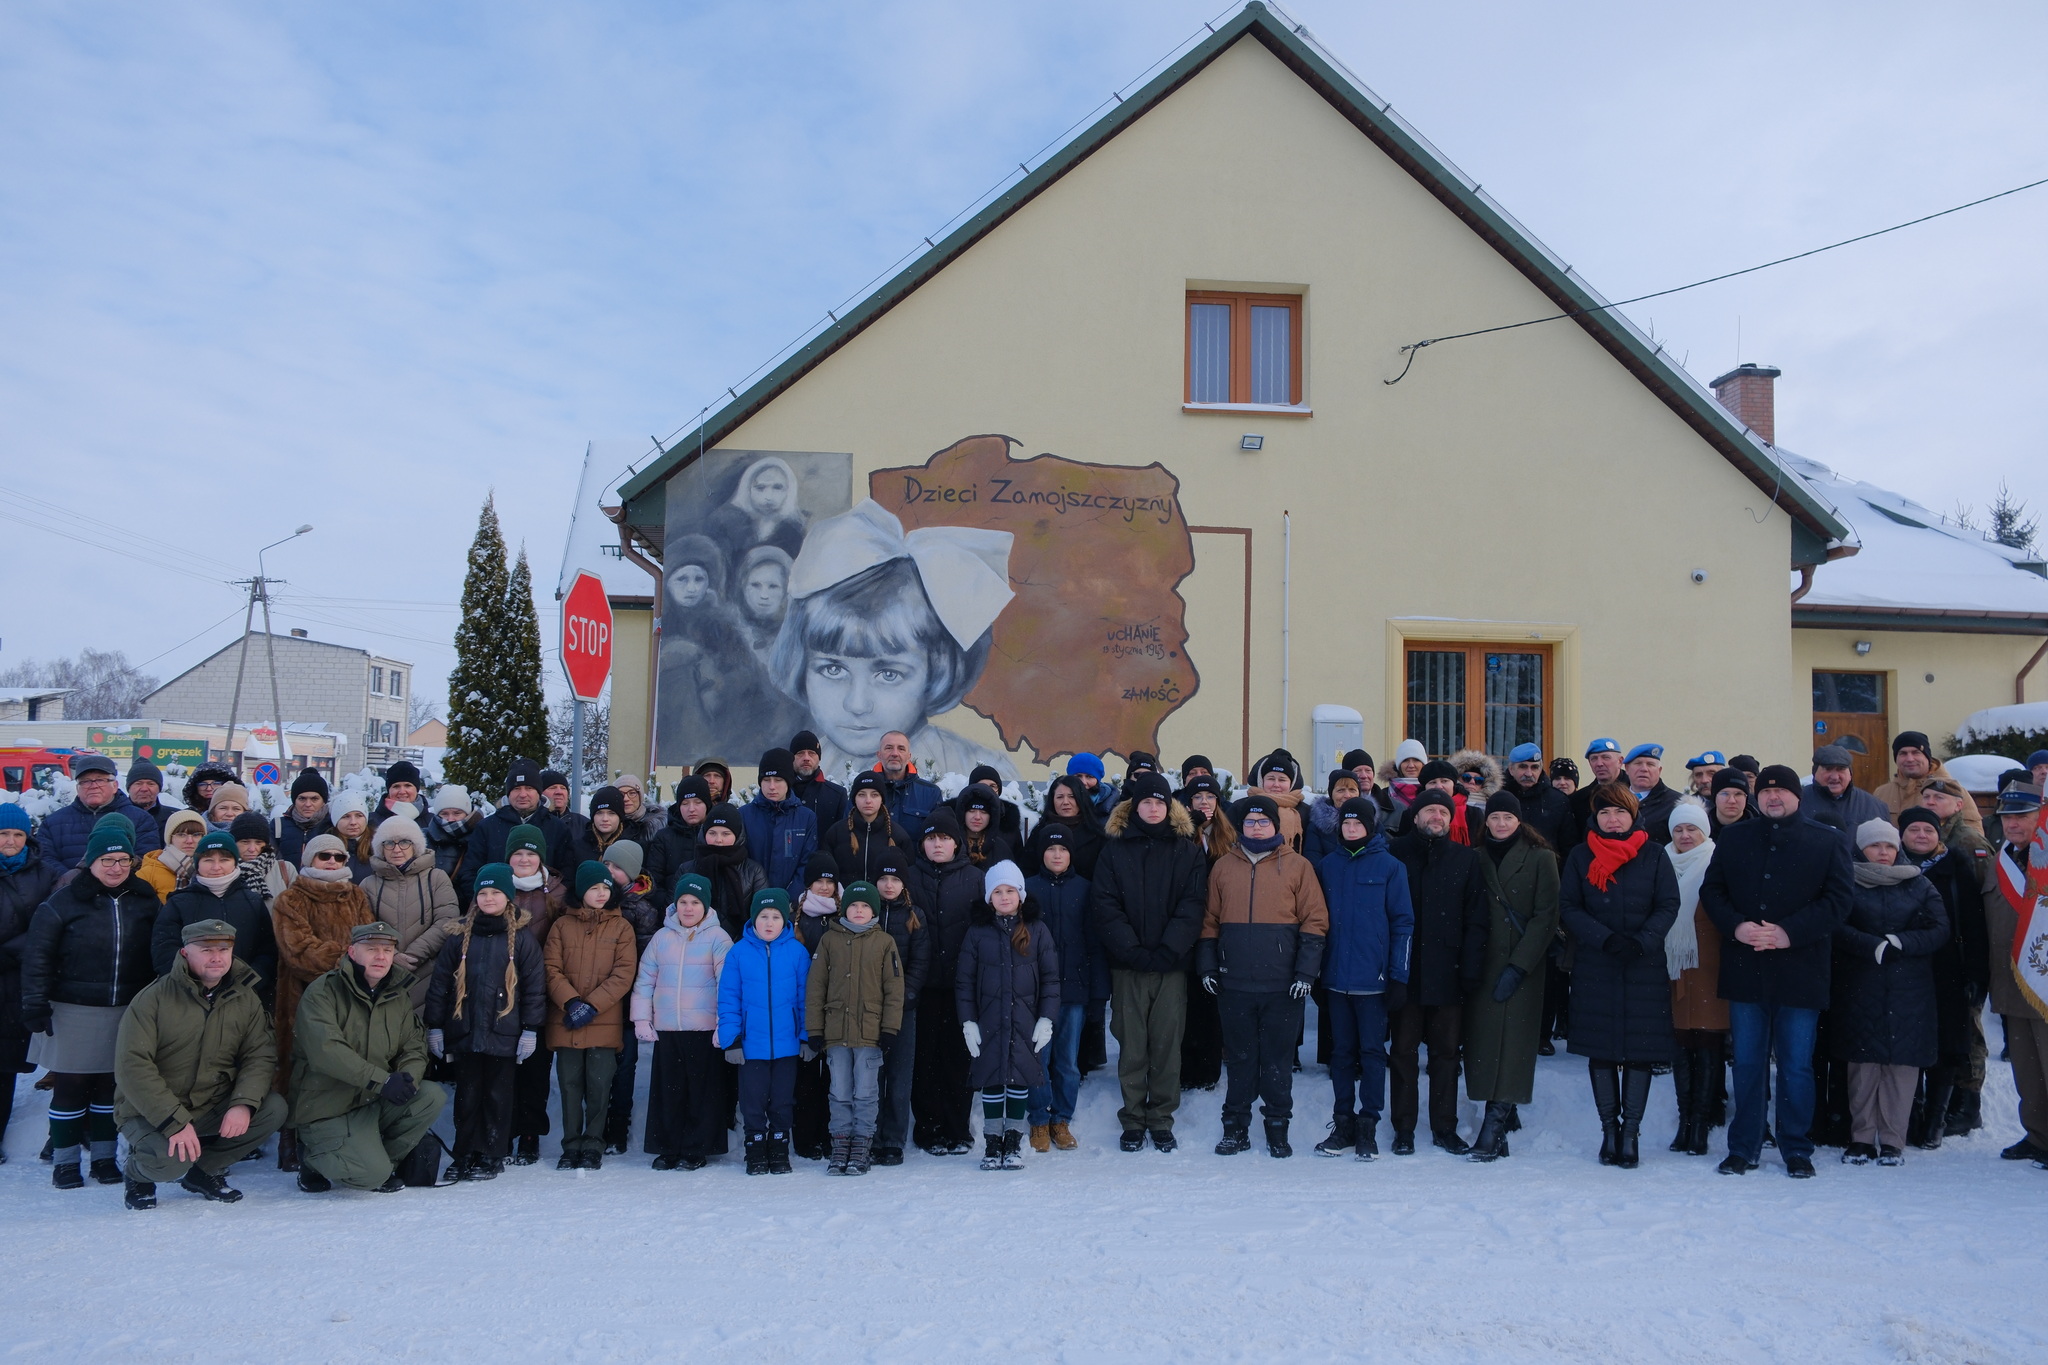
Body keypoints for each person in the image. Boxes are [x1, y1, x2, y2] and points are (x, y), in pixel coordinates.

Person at [773, 500, 1017, 779]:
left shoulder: (977, 769)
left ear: (937, 671)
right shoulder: (791, 775)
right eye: (833, 669)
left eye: (889, 674)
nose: (857, 704)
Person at [1701, 764, 1855, 1178]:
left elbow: (1839, 900)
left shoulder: (1827, 841)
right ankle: (1744, 1146)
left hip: (1800, 970)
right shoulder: (1735, 837)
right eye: (1766, 791)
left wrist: (1789, 932)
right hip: (1746, 967)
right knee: (1747, 1064)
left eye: (1781, 791)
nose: (1773, 797)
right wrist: (1737, 926)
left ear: (1797, 797)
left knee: (1796, 1066)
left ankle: (1796, 1148)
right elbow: (1713, 890)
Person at [21, 815, 160, 1189]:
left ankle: (103, 1158)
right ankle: (65, 1163)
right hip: (73, 1008)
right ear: (92, 861)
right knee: (70, 1087)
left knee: (109, 1088)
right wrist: (34, 1004)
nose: (116, 868)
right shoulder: (63, 902)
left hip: (126, 1009)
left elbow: (158, 952)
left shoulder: (145, 901)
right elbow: (37, 956)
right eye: (107, 860)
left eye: (123, 860)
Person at [112, 919, 288, 1209]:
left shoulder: (245, 998)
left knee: (272, 1108)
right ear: (185, 953)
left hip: (209, 1102)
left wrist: (243, 1103)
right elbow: (132, 1066)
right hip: (149, 1109)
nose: (217, 957)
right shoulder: (152, 1000)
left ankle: (205, 1171)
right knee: (170, 1163)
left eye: (224, 949)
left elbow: (259, 1055)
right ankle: (136, 1173)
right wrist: (173, 1121)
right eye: (206, 950)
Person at [1200, 795, 1328, 1159]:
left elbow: (1315, 921)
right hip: (1235, 982)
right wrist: (1208, 966)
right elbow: (1209, 921)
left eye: (1263, 821)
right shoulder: (1224, 866)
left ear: (1275, 825)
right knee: (1240, 1058)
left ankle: (1277, 1127)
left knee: (1277, 1060)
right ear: (1241, 827)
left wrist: (1305, 972)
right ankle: (1235, 1128)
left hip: (1282, 984)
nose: (1256, 828)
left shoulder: (1298, 866)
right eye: (1250, 822)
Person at [1559, 784, 1680, 1168]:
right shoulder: (1581, 855)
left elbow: (1668, 904)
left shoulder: (1654, 854)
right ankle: (1609, 1131)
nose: (1613, 820)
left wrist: (1642, 941)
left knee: (1640, 1050)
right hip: (1597, 963)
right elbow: (1569, 906)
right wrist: (1605, 939)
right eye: (1605, 813)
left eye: (1620, 812)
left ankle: (1631, 1135)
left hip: (1644, 964)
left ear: (1633, 816)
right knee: (1602, 1050)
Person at [1091, 772, 1208, 1151]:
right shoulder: (1114, 851)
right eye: (1146, 802)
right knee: (1132, 1044)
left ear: (1169, 806)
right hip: (1128, 966)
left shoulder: (1187, 851)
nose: (1153, 808)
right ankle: (1133, 1118)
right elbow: (1105, 905)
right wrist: (1132, 951)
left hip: (1171, 966)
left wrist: (1169, 950)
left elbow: (1193, 905)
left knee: (1166, 1045)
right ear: (1134, 806)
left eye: (1160, 802)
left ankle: (1160, 1118)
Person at [293, 921, 448, 1193]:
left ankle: (379, 1164)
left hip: (371, 1101)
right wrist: (383, 1081)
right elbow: (327, 1051)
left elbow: (413, 1046)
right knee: (371, 1175)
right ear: (352, 952)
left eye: (387, 950)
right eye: (372, 949)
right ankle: (312, 1158)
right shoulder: (323, 992)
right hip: (327, 1107)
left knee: (430, 1096)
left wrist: (407, 1079)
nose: (380, 957)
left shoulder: (396, 995)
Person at [1831, 819, 1948, 1165]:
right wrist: (1870, 946)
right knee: (1863, 1065)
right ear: (1860, 848)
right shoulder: (1846, 880)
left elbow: (1939, 927)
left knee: (1902, 1065)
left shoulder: (1918, 882)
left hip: (1909, 988)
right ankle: (1862, 1138)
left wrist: (1900, 942)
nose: (1883, 852)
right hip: (1859, 984)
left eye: (1889, 846)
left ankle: (1894, 1140)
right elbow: (1835, 924)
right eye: (1875, 846)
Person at [424, 866, 545, 1181]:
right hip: (464, 1030)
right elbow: (440, 985)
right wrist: (435, 1025)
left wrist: (530, 1029)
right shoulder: (459, 936)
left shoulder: (522, 939)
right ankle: (464, 1153)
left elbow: (534, 987)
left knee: (497, 1096)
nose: (489, 898)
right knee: (467, 1097)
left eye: (496, 892)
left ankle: (492, 1153)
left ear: (508, 897)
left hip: (504, 1032)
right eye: (483, 893)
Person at [1386, 790, 1487, 1154]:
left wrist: (1470, 969)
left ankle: (1445, 1127)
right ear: (1415, 816)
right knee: (1403, 1052)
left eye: (1443, 812)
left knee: (1446, 1055)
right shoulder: (1395, 854)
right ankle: (1404, 1128)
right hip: (1406, 972)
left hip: (1449, 972)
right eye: (1429, 810)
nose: (1437, 817)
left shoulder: (1466, 859)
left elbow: (1477, 920)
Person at [1462, 791, 1560, 1162]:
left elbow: (1546, 915)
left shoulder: (1541, 858)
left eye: (1508, 818)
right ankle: (1503, 1114)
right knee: (1486, 1043)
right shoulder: (1476, 857)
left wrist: (1520, 965)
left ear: (1520, 821)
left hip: (1523, 963)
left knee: (1514, 1043)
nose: (1501, 824)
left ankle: (1493, 1126)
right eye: (1495, 817)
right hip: (1484, 963)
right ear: (1486, 821)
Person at [1311, 797, 1411, 1160]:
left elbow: (1403, 923)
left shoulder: (1390, 867)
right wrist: (1316, 973)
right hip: (1336, 980)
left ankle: (1368, 1125)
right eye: (1346, 824)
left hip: (1374, 981)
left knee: (1371, 1053)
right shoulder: (1327, 866)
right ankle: (1343, 1124)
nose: (1351, 829)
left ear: (1371, 827)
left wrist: (1398, 976)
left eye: (1358, 824)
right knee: (1341, 1053)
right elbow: (1315, 922)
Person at [269, 832, 372, 1171]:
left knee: (343, 1065)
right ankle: (291, 1138)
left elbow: (370, 942)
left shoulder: (356, 895)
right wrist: (349, 956)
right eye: (323, 856)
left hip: (351, 996)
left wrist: (359, 957)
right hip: (301, 995)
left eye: (338, 856)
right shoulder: (290, 899)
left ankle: (337, 1136)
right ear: (309, 860)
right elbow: (299, 951)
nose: (331, 861)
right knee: (300, 1066)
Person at [957, 861, 1059, 1170]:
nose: (1004, 897)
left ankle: (1013, 1140)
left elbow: (1051, 979)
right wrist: (968, 1021)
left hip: (1025, 1019)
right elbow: (964, 981)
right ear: (989, 897)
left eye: (1010, 891)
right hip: (988, 1019)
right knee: (991, 1078)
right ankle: (993, 1143)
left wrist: (1046, 1018)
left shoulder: (1037, 931)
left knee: (1018, 1078)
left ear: (1021, 895)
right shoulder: (977, 932)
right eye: (998, 892)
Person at [1899, 805, 1989, 1148]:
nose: (1921, 835)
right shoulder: (1891, 867)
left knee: (1947, 1046)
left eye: (1928, 830)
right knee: (1908, 1044)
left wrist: (1977, 974)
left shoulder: (1956, 868)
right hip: (1904, 971)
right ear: (1902, 835)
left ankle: (1934, 1122)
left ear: (1939, 835)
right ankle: (1911, 1116)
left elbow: (1974, 925)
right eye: (1914, 829)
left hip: (1950, 971)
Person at [633, 873, 733, 1170]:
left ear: (706, 906)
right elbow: (645, 980)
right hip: (668, 1028)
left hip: (703, 1029)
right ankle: (667, 1147)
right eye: (683, 902)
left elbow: (727, 984)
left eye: (695, 902)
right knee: (669, 1091)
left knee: (701, 1092)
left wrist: (724, 1023)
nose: (688, 908)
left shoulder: (718, 938)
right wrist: (641, 1018)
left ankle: (696, 1148)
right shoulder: (661, 938)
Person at [805, 879, 904, 1175]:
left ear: (873, 910)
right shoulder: (829, 941)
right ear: (844, 909)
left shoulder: (884, 942)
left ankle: (861, 1144)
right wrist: (815, 1029)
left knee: (866, 1092)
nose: (859, 910)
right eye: (853, 905)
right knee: (839, 1092)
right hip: (836, 1032)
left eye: (864, 906)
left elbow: (894, 990)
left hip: (870, 1033)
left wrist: (889, 1029)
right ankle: (841, 1144)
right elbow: (815, 987)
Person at [545, 861, 638, 1170]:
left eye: (605, 888)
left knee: (599, 1086)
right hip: (567, 1019)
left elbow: (623, 974)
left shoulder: (621, 927)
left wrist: (592, 1005)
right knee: (570, 1085)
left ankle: (594, 1143)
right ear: (580, 891)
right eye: (594, 888)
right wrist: (571, 1002)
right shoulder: (561, 926)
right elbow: (551, 969)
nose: (601, 893)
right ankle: (571, 1144)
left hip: (603, 1021)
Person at [718, 889, 812, 1175]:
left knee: (783, 1100)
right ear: (753, 919)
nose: (769, 923)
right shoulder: (739, 953)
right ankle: (755, 1147)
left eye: (775, 917)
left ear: (785, 921)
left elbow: (806, 999)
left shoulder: (797, 952)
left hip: (787, 1045)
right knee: (753, 1101)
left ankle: (780, 1148)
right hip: (751, 1045)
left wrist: (807, 1036)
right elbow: (729, 999)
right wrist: (731, 1040)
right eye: (763, 916)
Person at [908, 809, 984, 1154]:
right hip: (921, 986)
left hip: (960, 986)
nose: (937, 844)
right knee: (924, 1059)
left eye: (944, 838)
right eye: (931, 838)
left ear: (956, 844)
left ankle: (957, 1128)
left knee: (958, 1058)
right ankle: (928, 1128)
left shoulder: (975, 879)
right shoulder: (909, 878)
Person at [1024, 826, 1104, 1152]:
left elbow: (1095, 944)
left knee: (1067, 1062)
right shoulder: (1028, 889)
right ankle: (1039, 1120)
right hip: (1036, 993)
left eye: (1063, 849)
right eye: (1050, 849)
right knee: (1037, 1060)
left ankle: (1061, 1119)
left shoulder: (1085, 889)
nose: (1057, 855)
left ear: (1071, 854)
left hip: (1074, 990)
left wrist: (1097, 994)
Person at [1981, 783, 2048, 1163]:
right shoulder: (1999, 860)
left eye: (2022, 815)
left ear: (2041, 817)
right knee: (2027, 1069)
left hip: (2044, 979)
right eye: (2007, 817)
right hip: (2010, 981)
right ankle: (2038, 1135)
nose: (2012, 824)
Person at [1664, 802, 1728, 1156]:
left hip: (1708, 963)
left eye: (1692, 829)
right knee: (1680, 1042)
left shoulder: (1717, 861)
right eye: (1678, 830)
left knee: (1707, 1040)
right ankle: (1685, 1120)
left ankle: (1701, 1123)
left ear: (1705, 832)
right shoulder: (1662, 862)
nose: (1685, 836)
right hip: (1672, 965)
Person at [0, 800, 59, 1156]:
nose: (10, 841)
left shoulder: (45, 874)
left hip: (22, 977)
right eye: (3, 833)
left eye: (17, 834)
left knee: (6, 1062)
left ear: (28, 837)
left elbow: (47, 923)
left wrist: (10, 950)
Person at [154, 830, 277, 997]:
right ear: (197, 864)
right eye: (208, 860)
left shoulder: (252, 900)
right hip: (191, 996)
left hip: (245, 995)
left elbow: (267, 950)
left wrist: (251, 984)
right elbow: (164, 948)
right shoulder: (179, 902)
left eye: (224, 860)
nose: (216, 867)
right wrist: (192, 984)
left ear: (235, 862)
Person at [867, 848, 929, 1166]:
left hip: (903, 1009)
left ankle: (893, 1139)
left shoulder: (914, 916)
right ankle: (872, 1136)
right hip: (869, 1008)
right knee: (872, 1075)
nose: (889, 885)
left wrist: (906, 997)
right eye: (883, 879)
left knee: (899, 1076)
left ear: (904, 883)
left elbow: (920, 963)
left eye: (894, 879)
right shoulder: (865, 914)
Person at [361, 816, 461, 1011]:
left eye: (404, 842)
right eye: (389, 843)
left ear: (415, 846)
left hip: (430, 972)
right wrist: (392, 955)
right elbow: (364, 926)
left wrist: (414, 954)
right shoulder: (368, 884)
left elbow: (448, 920)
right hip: (382, 972)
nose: (397, 849)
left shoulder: (436, 878)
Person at [36, 753, 162, 878]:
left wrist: (113, 878)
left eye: (100, 780)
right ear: (78, 788)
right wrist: (71, 880)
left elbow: (146, 860)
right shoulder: (53, 823)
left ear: (115, 786)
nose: (93, 786)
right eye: (85, 781)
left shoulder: (141, 819)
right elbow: (45, 859)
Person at [464, 757, 565, 901]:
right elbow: (470, 873)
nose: (523, 794)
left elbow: (566, 874)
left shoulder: (557, 828)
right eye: (517, 788)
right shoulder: (486, 827)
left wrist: (551, 903)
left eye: (529, 788)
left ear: (539, 792)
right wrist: (487, 903)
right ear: (508, 793)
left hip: (546, 908)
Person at [681, 801, 769, 942]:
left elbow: (762, 915)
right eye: (712, 833)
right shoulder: (687, 870)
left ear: (738, 835)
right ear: (704, 834)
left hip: (741, 945)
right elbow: (674, 913)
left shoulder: (754, 871)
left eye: (726, 834)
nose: (719, 840)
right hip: (693, 945)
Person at [1874, 731, 1984, 838]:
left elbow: (1974, 837)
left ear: (1927, 757)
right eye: (1903, 753)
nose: (1910, 759)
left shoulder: (1953, 791)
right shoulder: (1881, 793)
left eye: (1916, 752)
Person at [710, 454, 808, 574]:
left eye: (777, 488)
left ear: (789, 490)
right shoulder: (727, 525)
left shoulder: (794, 531)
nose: (769, 497)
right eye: (760, 488)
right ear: (747, 489)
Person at [743, 748, 821, 899]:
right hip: (753, 902)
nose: (772, 786)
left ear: (788, 782)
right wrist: (758, 898)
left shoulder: (806, 818)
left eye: (778, 780)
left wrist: (789, 898)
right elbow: (742, 863)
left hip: (790, 903)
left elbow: (807, 863)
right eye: (766, 780)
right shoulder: (744, 815)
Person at [824, 770, 908, 885]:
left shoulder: (898, 835)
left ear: (882, 799)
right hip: (845, 896)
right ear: (854, 799)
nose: (868, 800)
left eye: (874, 795)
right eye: (862, 795)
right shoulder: (836, 833)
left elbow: (907, 877)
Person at [1021, 774, 1106, 879]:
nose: (1066, 802)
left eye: (1072, 796)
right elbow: (1027, 870)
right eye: (1060, 797)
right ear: (1052, 800)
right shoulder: (1040, 832)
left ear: (1081, 798)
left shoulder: (1097, 834)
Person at [1802, 744, 1890, 845]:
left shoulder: (1874, 806)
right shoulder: (1797, 802)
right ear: (1814, 772)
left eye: (1841, 769)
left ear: (1850, 773)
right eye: (1828, 769)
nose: (1835, 777)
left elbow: (1890, 847)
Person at [645, 774, 712, 897]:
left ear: (707, 805)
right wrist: (669, 905)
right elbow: (654, 881)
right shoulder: (664, 838)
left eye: (698, 802)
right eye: (685, 803)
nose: (691, 809)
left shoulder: (716, 836)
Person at [1500, 743, 1572, 852]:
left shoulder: (1558, 800)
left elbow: (1568, 845)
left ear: (1541, 769)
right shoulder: (1499, 797)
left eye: (1534, 767)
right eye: (1523, 767)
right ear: (1511, 769)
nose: (1529, 773)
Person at [1564, 738, 1626, 851]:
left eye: (1606, 757)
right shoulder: (1579, 799)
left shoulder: (1635, 792)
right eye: (1594, 759)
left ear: (1620, 761)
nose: (1599, 764)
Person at [875, 731, 944, 826]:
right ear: (879, 755)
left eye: (901, 749)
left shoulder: (930, 793)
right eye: (889, 748)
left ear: (909, 757)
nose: (895, 753)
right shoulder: (864, 790)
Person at [137, 808, 206, 900]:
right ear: (170, 838)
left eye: (196, 835)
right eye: (181, 835)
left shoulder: (213, 868)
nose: (189, 841)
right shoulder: (148, 873)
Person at [1247, 749, 1308, 851]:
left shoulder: (1305, 812)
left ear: (1291, 783)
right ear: (1261, 781)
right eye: (1271, 779)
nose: (1276, 784)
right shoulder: (1242, 807)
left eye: (1282, 780)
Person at [788, 729, 849, 830]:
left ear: (819, 758)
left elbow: (842, 835)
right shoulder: (780, 792)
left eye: (811, 753)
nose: (806, 758)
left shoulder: (837, 795)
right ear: (791, 758)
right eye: (800, 753)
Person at [1621, 744, 1681, 846]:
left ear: (1659, 770)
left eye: (1650, 764)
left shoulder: (1676, 803)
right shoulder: (1613, 800)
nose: (1644, 769)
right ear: (1627, 768)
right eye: (1638, 763)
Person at [229, 811, 293, 907]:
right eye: (245, 842)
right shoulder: (223, 870)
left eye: (258, 842)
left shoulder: (285, 869)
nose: (252, 849)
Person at [1302, 770, 1364, 865]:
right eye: (1340, 790)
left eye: (1352, 790)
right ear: (1331, 794)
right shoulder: (1317, 826)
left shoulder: (1371, 820)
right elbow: (1313, 861)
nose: (1347, 795)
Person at [275, 769, 333, 868]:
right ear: (294, 800)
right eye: (302, 798)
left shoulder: (333, 825)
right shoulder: (278, 826)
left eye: (314, 799)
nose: (308, 804)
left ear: (323, 801)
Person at [423, 784, 477, 889]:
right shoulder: (424, 838)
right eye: (444, 814)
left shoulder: (479, 837)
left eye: (457, 813)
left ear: (467, 814)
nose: (450, 819)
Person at [956, 787, 1013, 869]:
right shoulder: (951, 845)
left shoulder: (1001, 848)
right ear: (962, 814)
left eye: (983, 812)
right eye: (972, 811)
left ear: (991, 816)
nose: (977, 817)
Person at [329, 791, 376, 883]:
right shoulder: (323, 848)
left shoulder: (379, 848)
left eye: (359, 816)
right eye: (346, 816)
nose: (353, 822)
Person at [1381, 739, 1429, 825]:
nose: (1411, 765)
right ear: (1399, 766)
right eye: (1405, 760)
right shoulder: (1383, 796)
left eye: (1416, 760)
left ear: (1423, 764)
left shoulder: (1433, 791)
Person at [124, 758, 173, 841]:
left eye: (151, 784)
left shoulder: (173, 818)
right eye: (138, 783)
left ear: (159, 789)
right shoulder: (115, 817)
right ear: (129, 788)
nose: (144, 789)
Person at [1067, 752, 1117, 820]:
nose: (1083, 782)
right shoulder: (1060, 803)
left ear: (1097, 780)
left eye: (1089, 777)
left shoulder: (1114, 807)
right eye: (1078, 776)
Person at [1707, 767, 1756, 837]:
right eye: (1725, 794)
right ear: (1714, 797)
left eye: (1738, 794)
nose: (1732, 801)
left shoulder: (1760, 832)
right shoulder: (1700, 831)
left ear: (1746, 797)